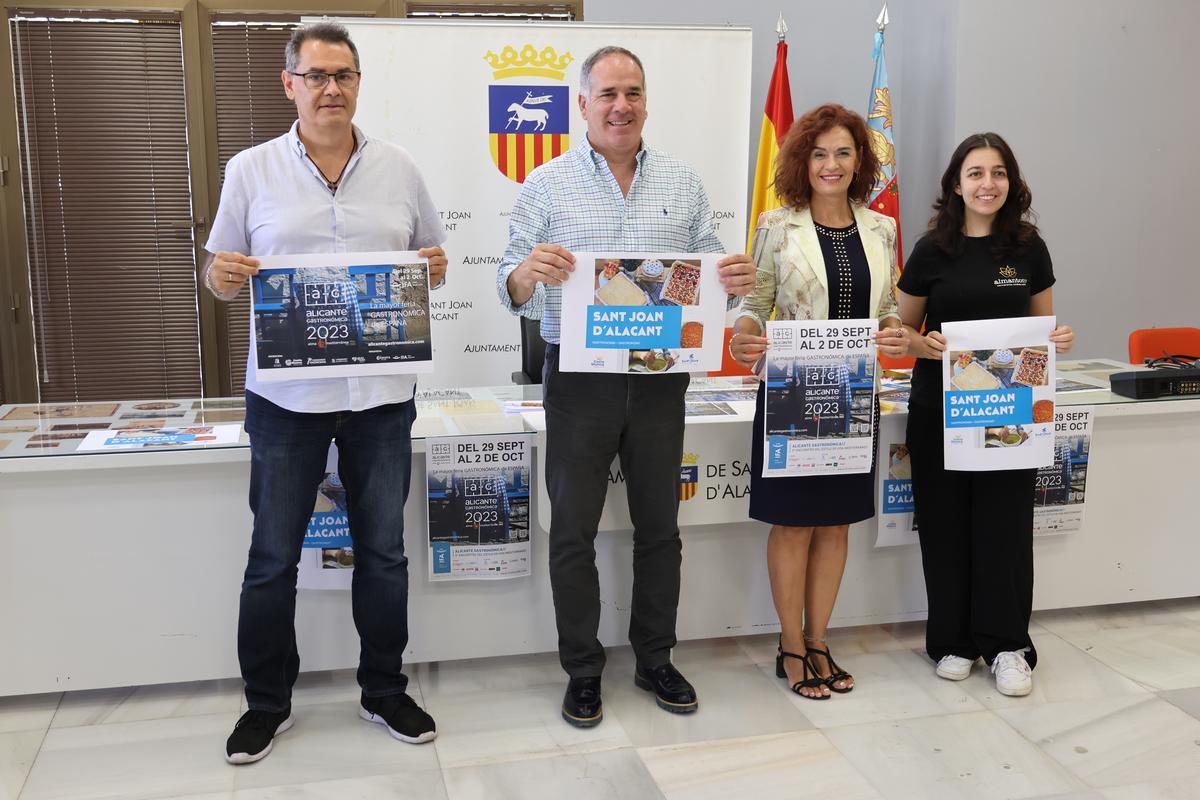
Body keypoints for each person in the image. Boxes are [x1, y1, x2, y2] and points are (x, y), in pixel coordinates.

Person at [203, 22, 449, 764]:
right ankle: (266, 705)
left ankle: (384, 690)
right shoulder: (250, 170)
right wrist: (220, 280)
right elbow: (216, 275)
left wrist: (433, 269)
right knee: (272, 557)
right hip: (285, 402)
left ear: (358, 82)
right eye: (315, 76)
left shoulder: (400, 168)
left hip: (379, 394)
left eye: (342, 74)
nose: (330, 88)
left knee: (383, 552)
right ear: (290, 85)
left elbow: (432, 263)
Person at [496, 45, 756, 727]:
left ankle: (655, 659)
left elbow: (708, 285)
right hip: (578, 382)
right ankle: (583, 670)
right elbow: (509, 289)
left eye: (632, 92)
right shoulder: (546, 184)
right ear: (581, 104)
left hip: (660, 382)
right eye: (607, 93)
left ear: (646, 101)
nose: (621, 105)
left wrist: (730, 285)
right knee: (572, 532)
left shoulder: (684, 183)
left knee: (659, 529)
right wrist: (529, 270)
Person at [729, 104, 907, 699]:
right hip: (792, 394)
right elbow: (753, 303)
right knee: (794, 523)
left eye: (844, 153)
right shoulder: (777, 225)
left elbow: (888, 312)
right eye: (820, 153)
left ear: (860, 162)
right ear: (802, 161)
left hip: (855, 394)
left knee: (835, 522)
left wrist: (893, 332)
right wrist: (745, 333)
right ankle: (789, 644)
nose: (831, 164)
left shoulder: (881, 229)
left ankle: (820, 638)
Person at [896, 132, 1074, 696]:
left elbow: (1043, 328)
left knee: (1003, 527)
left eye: (998, 173)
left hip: (1011, 413)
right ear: (956, 183)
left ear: (1011, 183)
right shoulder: (930, 251)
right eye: (975, 173)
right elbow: (901, 333)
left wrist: (1058, 339)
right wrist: (919, 344)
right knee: (945, 526)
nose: (987, 183)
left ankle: (1006, 646)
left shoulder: (1028, 248)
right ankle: (951, 642)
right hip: (939, 410)